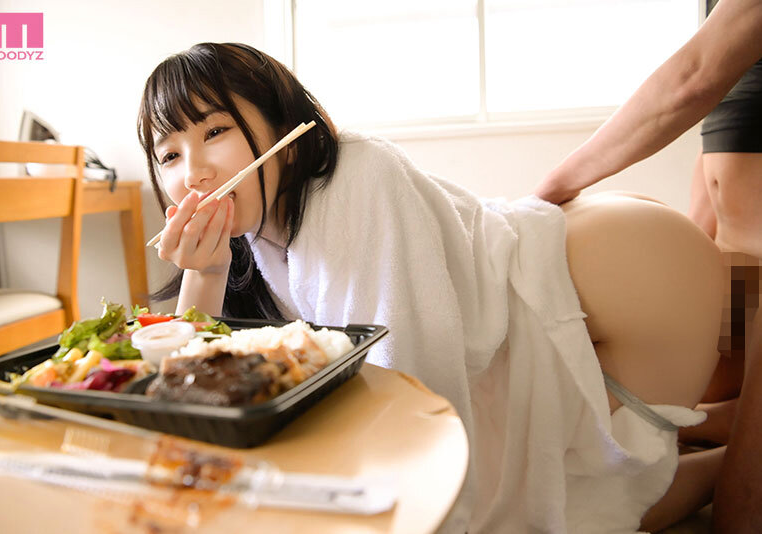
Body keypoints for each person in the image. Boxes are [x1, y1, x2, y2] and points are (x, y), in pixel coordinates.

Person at [138, 43, 724, 533]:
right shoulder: (251, 231)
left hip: (642, 281)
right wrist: (206, 273)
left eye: (216, 130)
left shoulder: (354, 178)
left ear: (285, 132)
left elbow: (407, 382)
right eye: (169, 154)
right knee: (552, 488)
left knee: (577, 507)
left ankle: (743, 455)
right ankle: (734, 429)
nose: (193, 171)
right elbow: (191, 387)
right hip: (573, 289)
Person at [534, 0, 762, 531]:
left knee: (745, 510)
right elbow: (731, 105)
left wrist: (547, 191)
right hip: (739, 261)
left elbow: (694, 78)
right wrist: (697, 251)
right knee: (676, 419)